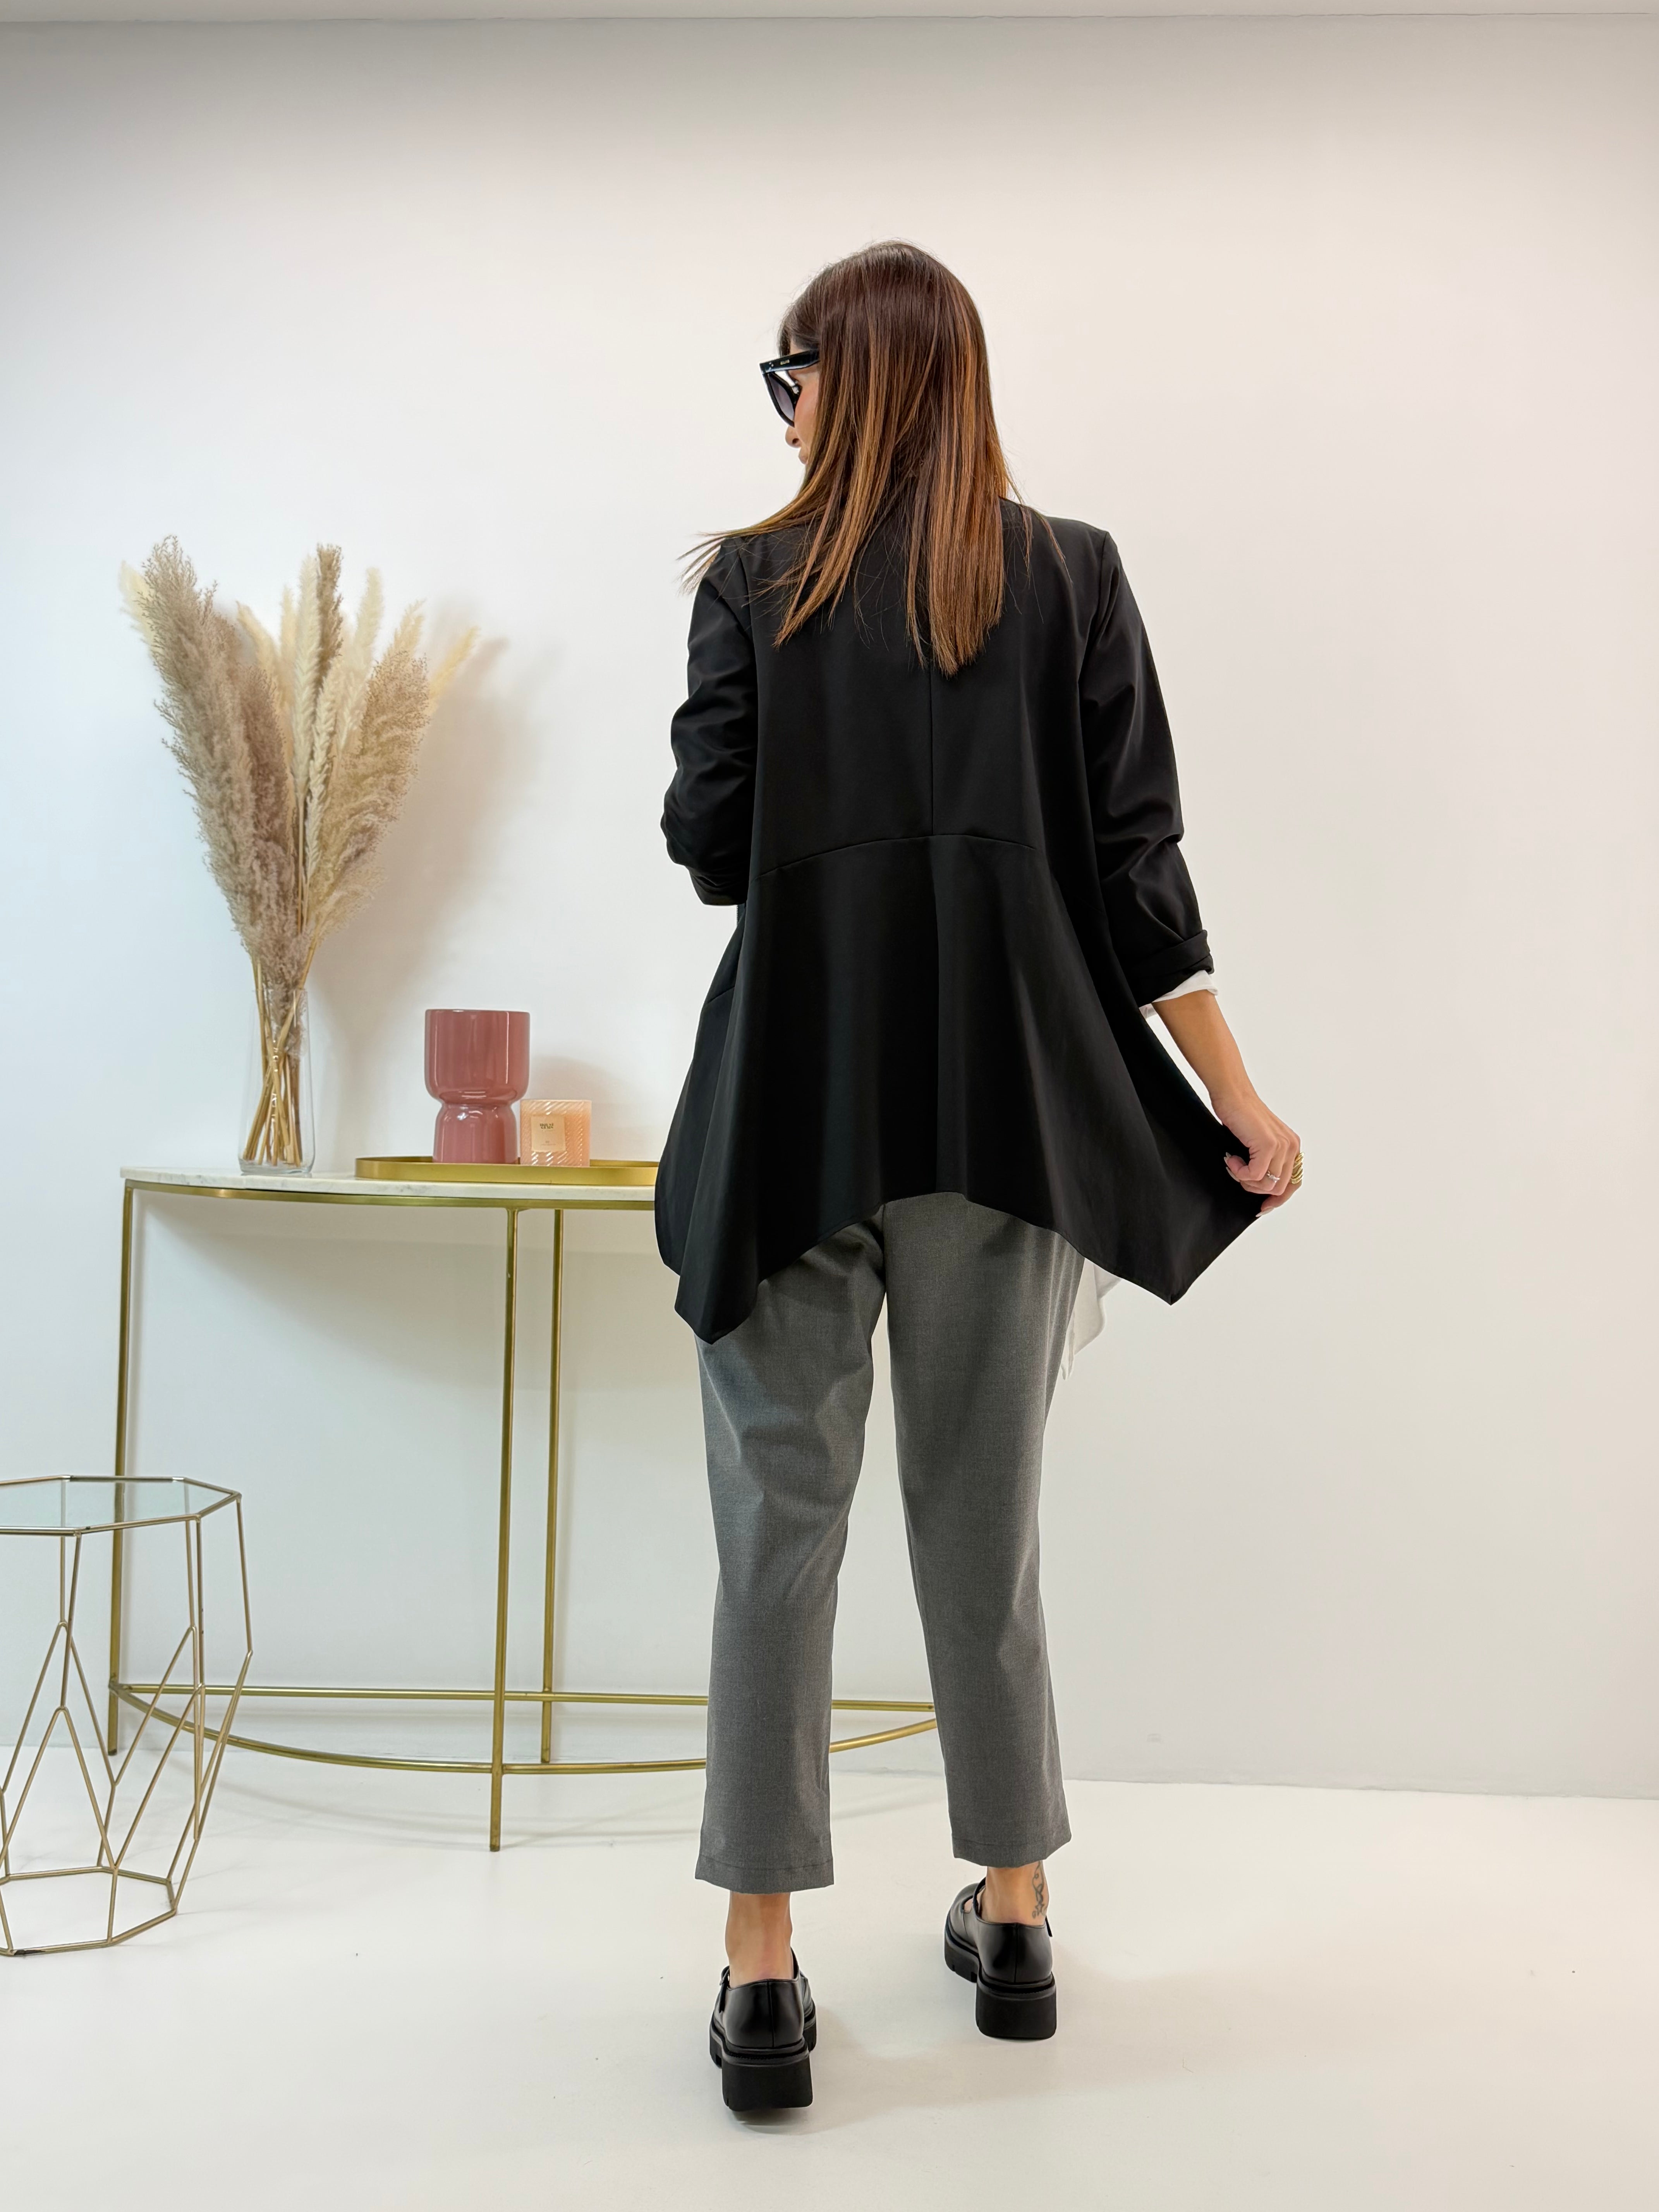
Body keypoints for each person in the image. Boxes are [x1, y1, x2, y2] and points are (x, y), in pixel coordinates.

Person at [656, 240, 1300, 2112]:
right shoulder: (1073, 576)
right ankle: (1015, 1918)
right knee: (982, 1527)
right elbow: (1139, 870)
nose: (786, 411)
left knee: (776, 1532)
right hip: (1008, 1121)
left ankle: (759, 1968)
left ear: (840, 383)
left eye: (793, 376)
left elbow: (709, 845)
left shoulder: (747, 585)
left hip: (793, 1113)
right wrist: (1237, 1098)